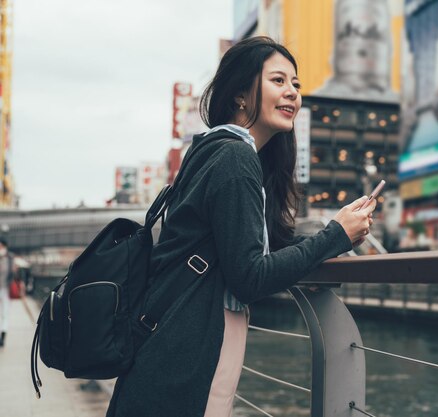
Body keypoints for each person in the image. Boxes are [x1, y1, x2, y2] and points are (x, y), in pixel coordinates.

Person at [106, 36, 376, 417]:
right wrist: (337, 235)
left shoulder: (216, 152)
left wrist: (316, 249)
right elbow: (250, 275)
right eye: (278, 81)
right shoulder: (234, 157)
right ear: (240, 96)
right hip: (183, 362)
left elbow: (247, 250)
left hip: (175, 350)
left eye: (296, 85)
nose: (292, 93)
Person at [0, 238, 13, 348]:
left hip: (5, 290)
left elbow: (12, 274)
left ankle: (2, 336)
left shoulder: (9, 258)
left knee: (4, 314)